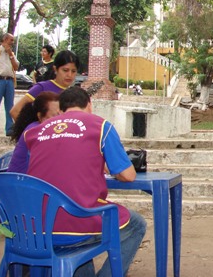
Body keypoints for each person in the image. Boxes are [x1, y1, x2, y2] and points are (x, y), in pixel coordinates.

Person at [24, 87, 146, 276]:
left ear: (61, 110)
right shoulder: (100, 125)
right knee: (137, 224)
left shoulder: (36, 131)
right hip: (77, 221)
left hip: (34, 226)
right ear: (89, 105)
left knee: (81, 248)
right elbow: (128, 175)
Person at [10, 50, 79, 121]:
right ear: (55, 69)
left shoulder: (74, 94)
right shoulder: (41, 88)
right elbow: (15, 111)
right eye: (65, 70)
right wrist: (33, 130)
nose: (69, 75)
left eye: (73, 71)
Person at [7, 91, 60, 173]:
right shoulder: (37, 132)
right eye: (54, 116)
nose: (60, 120)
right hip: (22, 182)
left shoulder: (34, 127)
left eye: (61, 115)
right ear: (40, 116)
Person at [0, 33, 19, 137]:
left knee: (9, 106)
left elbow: (16, 67)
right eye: (11, 40)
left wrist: (10, 55)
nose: (12, 42)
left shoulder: (11, 54)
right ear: (5, 39)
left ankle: (9, 129)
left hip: (9, 81)